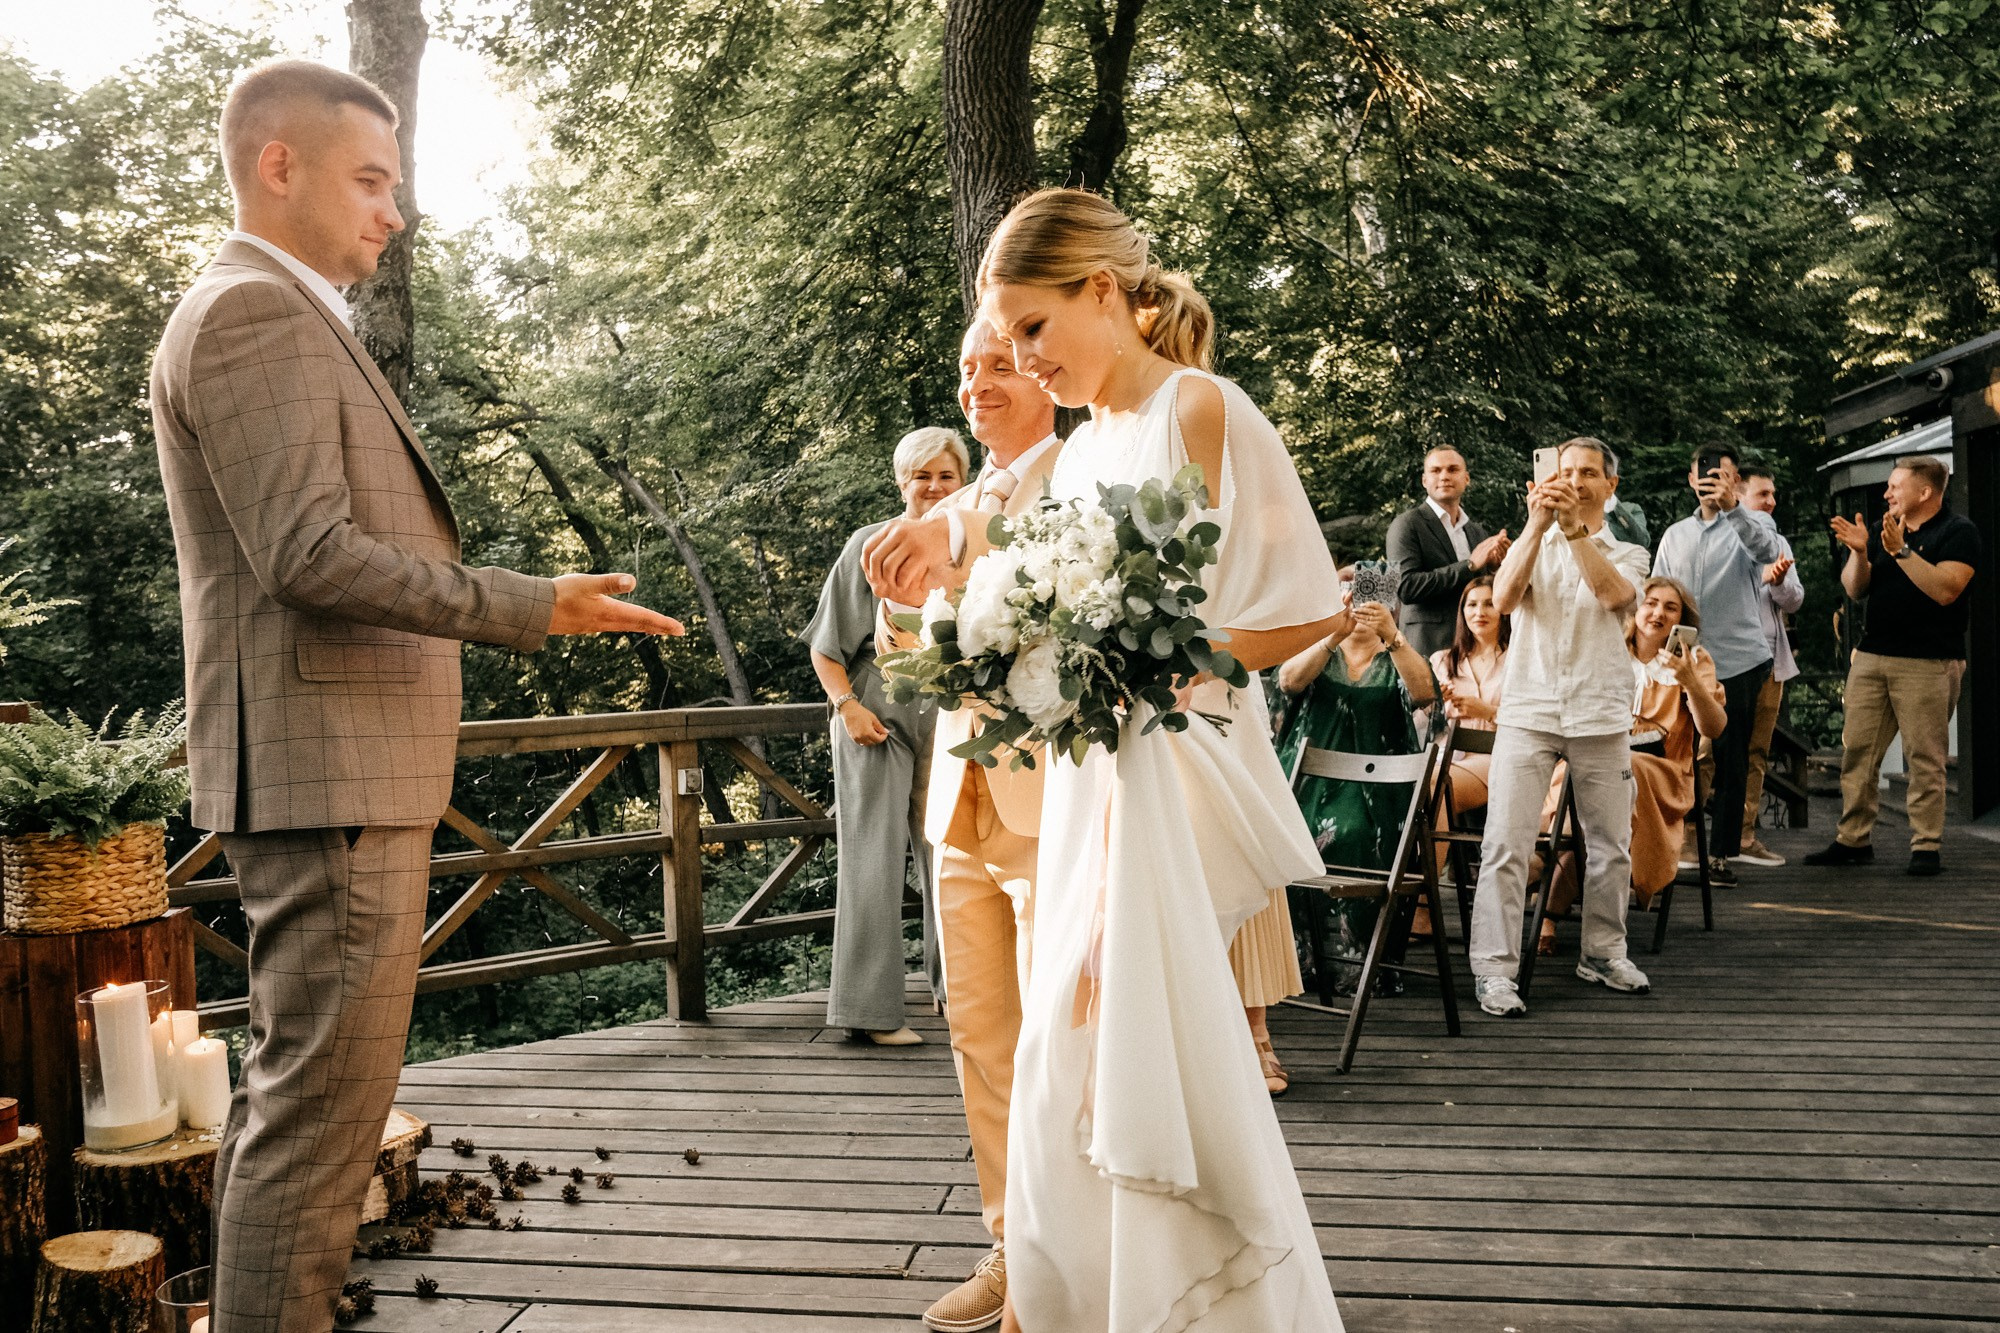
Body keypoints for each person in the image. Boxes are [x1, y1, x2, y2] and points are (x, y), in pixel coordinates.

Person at [150, 61, 684, 1332]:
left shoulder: (273, 307)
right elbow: (306, 554)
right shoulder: (252, 310)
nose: (394, 211)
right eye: (371, 180)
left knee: (315, 1109)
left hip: (334, 769)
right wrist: (524, 602)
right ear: (278, 165)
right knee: (316, 1119)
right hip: (325, 769)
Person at [864, 188, 1346, 1331]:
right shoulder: (1081, 447)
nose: (1026, 359)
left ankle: (1193, 1302)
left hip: (1162, 778)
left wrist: (1162, 660)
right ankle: (1070, 1296)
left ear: (1100, 291)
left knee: (1136, 1043)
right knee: (1063, 1050)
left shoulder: (1201, 408)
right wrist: (981, 610)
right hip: (1087, 776)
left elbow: (1305, 606)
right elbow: (1028, 565)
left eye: (1033, 328)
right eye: (1006, 337)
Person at [883, 323, 1061, 1333]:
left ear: (1042, 371)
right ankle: (1012, 1245)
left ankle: (1070, 1256)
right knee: (980, 1032)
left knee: (1055, 1040)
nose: (977, 384)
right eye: (965, 368)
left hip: (1049, 794)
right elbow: (908, 647)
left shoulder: (1081, 479)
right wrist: (910, 625)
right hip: (959, 794)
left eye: (998, 364)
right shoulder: (948, 505)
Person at [1467, 437, 1650, 1020]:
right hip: (1530, 709)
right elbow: (1503, 597)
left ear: (1610, 486)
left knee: (1611, 846)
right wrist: (1537, 524)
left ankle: (1603, 953)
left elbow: (1613, 597)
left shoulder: (1630, 552)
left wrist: (1573, 532)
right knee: (1505, 844)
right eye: (1566, 470)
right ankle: (1494, 970)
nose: (1574, 481)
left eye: (1588, 473)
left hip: (1599, 713)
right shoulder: (1534, 541)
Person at [806, 427, 967, 1046]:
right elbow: (826, 647)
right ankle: (870, 1014)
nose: (935, 487)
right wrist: (846, 707)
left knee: (951, 854)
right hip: (875, 713)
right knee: (872, 857)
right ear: (902, 481)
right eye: (922, 475)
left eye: (947, 475)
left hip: (949, 714)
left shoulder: (972, 547)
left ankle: (958, 991)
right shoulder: (868, 544)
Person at [1806, 456, 1980, 876]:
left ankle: (1926, 846)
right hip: (1872, 655)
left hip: (1928, 661)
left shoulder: (1958, 532)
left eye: (1895, 486)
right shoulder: (1885, 530)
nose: (1886, 494)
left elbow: (1946, 590)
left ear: (1925, 492)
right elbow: (1856, 590)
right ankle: (1853, 839)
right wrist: (1860, 551)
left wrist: (1901, 551)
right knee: (1858, 752)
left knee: (1925, 758)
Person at [1543, 578, 1726, 925]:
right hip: (1600, 759)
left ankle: (1549, 895)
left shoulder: (1694, 661)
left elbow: (1713, 728)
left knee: (1622, 768)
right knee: (1580, 770)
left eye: (1670, 608)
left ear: (1682, 621)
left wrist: (1689, 682)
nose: (1658, 613)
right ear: (1635, 608)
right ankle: (1561, 851)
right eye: (1650, 603)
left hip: (1664, 771)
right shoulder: (1608, 651)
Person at [1650, 445, 1787, 887]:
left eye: (1723, 475)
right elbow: (1657, 589)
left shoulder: (1754, 524)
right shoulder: (1675, 534)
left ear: (1735, 482)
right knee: (1680, 754)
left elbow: (1768, 553)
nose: (1712, 482)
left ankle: (1723, 855)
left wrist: (1733, 509)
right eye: (1705, 475)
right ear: (1692, 480)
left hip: (1739, 658)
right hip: (1685, 662)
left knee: (1732, 759)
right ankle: (1677, 843)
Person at [1275, 597, 1437, 971]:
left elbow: (1424, 693)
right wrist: (1332, 635)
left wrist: (1393, 636)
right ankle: (1293, 960)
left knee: (1352, 833)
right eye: (1351, 596)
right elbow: (1288, 681)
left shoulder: (1397, 655)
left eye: (1374, 598)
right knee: (1280, 830)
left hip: (1377, 791)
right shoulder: (1320, 649)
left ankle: (1352, 963)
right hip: (1306, 782)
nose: (1362, 607)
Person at [1730, 465, 1804, 866]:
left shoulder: (1778, 542)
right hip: (1724, 661)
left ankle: (1744, 835)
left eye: (1773, 494)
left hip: (1770, 660)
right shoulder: (1717, 537)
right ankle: (1691, 837)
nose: (1772, 502)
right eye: (1763, 494)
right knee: (1708, 752)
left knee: (1757, 751)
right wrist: (1758, 576)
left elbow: (1795, 600)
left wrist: (1777, 581)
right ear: (1738, 497)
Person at [1385, 447, 1510, 656]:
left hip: (1474, 646)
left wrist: (1495, 568)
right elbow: (1406, 587)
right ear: (1424, 480)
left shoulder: (1476, 531)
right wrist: (1469, 566)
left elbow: (1480, 588)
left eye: (1453, 469)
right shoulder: (1407, 524)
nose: (1444, 476)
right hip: (1426, 647)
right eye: (1436, 470)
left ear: (1466, 478)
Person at [1430, 575, 1510, 820]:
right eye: (1472, 604)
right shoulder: (1442, 661)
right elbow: (1421, 725)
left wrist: (1489, 712)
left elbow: (1531, 720)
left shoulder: (1518, 661)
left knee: (1431, 784)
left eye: (1489, 604)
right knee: (1415, 783)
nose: (1479, 612)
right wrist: (1435, 705)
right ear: (1462, 611)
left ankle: (1432, 849)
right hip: (1446, 754)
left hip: (1496, 756)